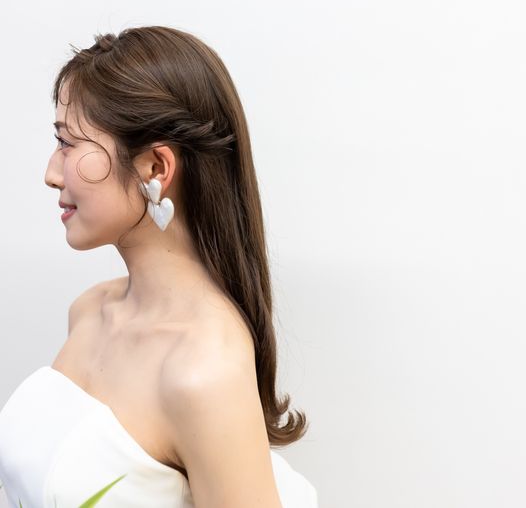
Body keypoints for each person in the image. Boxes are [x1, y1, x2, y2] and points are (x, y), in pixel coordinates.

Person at [0, 26, 318, 507]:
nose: (51, 172)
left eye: (68, 143)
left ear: (155, 168)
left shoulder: (203, 370)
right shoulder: (89, 312)